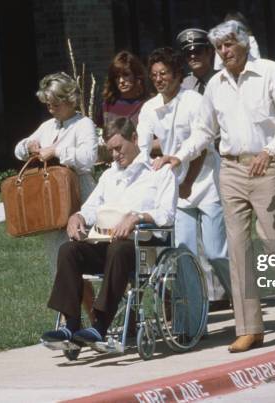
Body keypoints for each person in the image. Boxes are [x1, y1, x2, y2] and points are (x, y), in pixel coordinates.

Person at [155, 20, 275, 353]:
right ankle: (250, 328)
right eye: (219, 47)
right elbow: (203, 131)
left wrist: (271, 150)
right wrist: (179, 156)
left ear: (244, 43)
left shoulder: (271, 72)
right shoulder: (215, 86)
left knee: (273, 241)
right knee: (238, 249)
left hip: (267, 166)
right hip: (230, 170)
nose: (224, 52)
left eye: (229, 44)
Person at [41, 117, 177, 345]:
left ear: (134, 139)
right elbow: (92, 207)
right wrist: (78, 216)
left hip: (141, 247)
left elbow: (167, 214)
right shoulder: (109, 175)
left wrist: (137, 217)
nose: (114, 155)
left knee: (119, 248)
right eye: (111, 150)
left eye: (118, 148)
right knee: (68, 251)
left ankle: (100, 325)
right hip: (105, 243)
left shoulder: (158, 172)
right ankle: (71, 326)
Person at [137, 47, 231, 308]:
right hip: (176, 189)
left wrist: (188, 179)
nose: (158, 79)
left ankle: (243, 301)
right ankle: (193, 315)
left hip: (206, 181)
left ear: (178, 74)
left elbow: (202, 144)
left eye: (164, 73)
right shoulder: (149, 108)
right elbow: (143, 145)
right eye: (154, 74)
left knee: (216, 252)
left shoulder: (194, 100)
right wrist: (140, 165)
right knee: (184, 253)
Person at [14, 72, 98, 274]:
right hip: (51, 202)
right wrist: (28, 146)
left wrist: (57, 151)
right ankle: (69, 306)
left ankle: (99, 305)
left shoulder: (83, 124)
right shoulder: (47, 126)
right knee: (61, 267)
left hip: (79, 196)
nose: (51, 109)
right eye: (48, 104)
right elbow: (17, 150)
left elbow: (88, 159)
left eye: (55, 104)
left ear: (69, 100)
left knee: (85, 265)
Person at [96, 50, 149, 129]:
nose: (121, 81)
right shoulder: (107, 105)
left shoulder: (148, 105)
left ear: (136, 75)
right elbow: (100, 134)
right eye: (117, 76)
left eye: (126, 75)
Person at [177, 28, 216, 95]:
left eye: (197, 51)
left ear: (209, 52)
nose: (193, 56)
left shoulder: (222, 79)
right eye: (188, 53)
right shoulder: (181, 86)